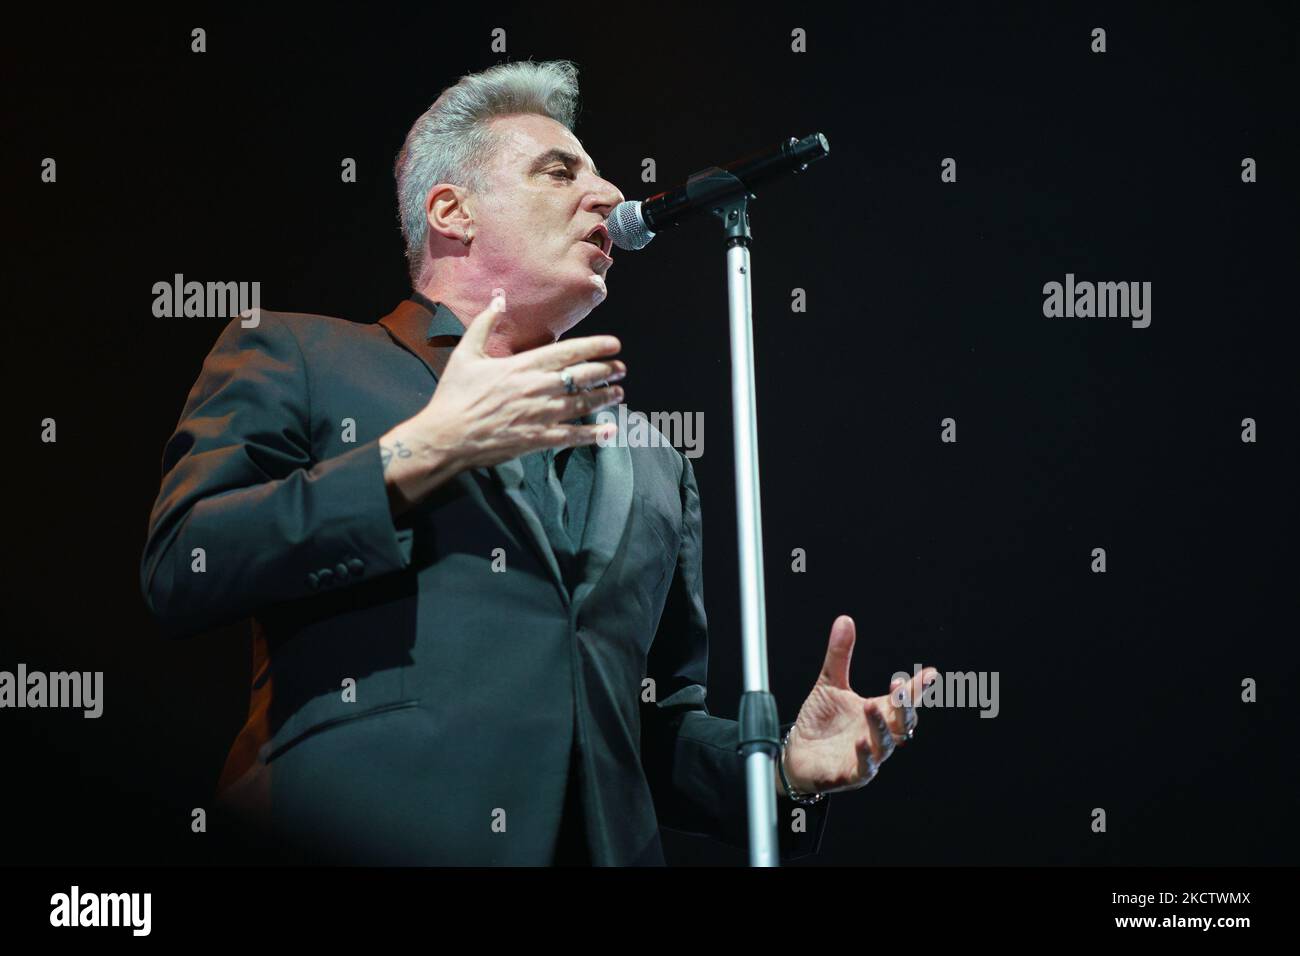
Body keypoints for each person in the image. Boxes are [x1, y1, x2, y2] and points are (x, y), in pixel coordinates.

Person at [140, 58, 938, 866]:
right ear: (452, 211)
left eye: (598, 173)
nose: (608, 194)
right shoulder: (298, 354)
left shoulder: (657, 463)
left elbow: (643, 730)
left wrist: (782, 773)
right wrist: (421, 451)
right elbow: (184, 567)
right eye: (559, 171)